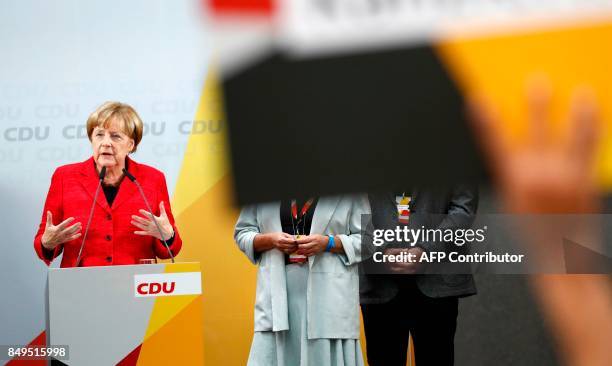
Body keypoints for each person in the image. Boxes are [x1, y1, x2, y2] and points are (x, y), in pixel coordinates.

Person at [33, 101, 182, 267]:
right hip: (81, 286)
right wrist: (47, 242)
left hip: (136, 285)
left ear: (131, 144)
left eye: (115, 136)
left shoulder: (153, 179)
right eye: (99, 135)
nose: (106, 142)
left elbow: (171, 249)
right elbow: (42, 244)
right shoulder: (65, 177)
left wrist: (168, 236)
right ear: (92, 139)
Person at [234, 195, 369, 366]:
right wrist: (271, 240)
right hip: (277, 299)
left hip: (330, 300)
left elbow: (369, 240)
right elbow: (242, 233)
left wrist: (329, 243)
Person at [360, 186, 479, 366]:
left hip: (437, 279)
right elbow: (347, 209)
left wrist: (427, 249)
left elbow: (463, 209)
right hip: (378, 279)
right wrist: (379, 249)